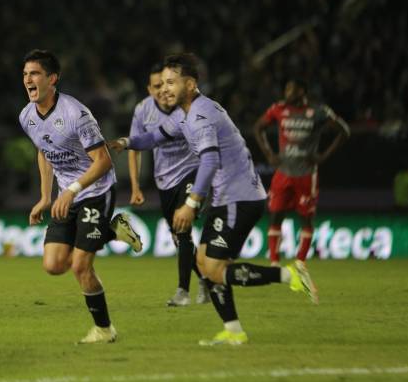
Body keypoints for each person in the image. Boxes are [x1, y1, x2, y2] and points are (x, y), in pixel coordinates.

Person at [110, 53, 317, 345]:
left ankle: (287, 276)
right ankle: (233, 331)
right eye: (163, 83)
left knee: (216, 268)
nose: (165, 88)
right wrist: (125, 142)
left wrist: (191, 203)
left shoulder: (200, 116)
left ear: (191, 84)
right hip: (229, 197)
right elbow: (156, 137)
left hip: (238, 198)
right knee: (206, 264)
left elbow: (208, 161)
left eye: (171, 82)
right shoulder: (186, 113)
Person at [20, 49, 143, 344]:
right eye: (25, 74)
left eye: (34, 73)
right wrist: (44, 197)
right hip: (65, 196)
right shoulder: (27, 116)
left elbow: (103, 161)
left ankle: (104, 329)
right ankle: (112, 230)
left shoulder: (76, 114)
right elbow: (44, 151)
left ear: (52, 79)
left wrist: (73, 190)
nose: (28, 80)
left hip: (96, 192)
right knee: (53, 265)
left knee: (80, 266)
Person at [128, 62, 209, 306]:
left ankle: (183, 292)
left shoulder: (186, 107)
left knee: (183, 231)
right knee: (180, 239)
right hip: (164, 182)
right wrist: (135, 186)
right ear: (149, 88)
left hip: (190, 173)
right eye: (156, 86)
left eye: (165, 84)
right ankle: (205, 280)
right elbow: (135, 146)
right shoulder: (143, 110)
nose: (161, 90)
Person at [253, 79, 350, 266]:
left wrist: (323, 156)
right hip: (283, 173)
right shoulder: (278, 109)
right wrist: (269, 154)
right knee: (275, 215)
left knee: (306, 219)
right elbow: (258, 128)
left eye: (291, 89)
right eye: (286, 88)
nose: (287, 92)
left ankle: (300, 263)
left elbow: (344, 131)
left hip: (306, 174)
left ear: (302, 91)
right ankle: (274, 262)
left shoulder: (318, 112)